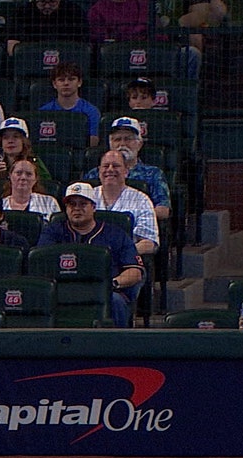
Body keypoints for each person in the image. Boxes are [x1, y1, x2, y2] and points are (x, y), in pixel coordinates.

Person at [39, 183, 143, 328]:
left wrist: (112, 284)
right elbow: (40, 265)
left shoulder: (115, 234)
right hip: (63, 290)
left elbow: (135, 272)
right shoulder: (52, 232)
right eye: (71, 204)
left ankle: (118, 341)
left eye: (83, 204)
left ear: (94, 207)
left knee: (116, 301)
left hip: (103, 292)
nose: (76, 208)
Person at [82, 117, 169, 221]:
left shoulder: (153, 174)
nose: (122, 144)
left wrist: (129, 216)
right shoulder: (94, 174)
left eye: (128, 139)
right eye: (117, 139)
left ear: (139, 144)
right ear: (110, 144)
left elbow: (163, 211)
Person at [95, 150, 159, 259]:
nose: (110, 169)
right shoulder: (87, 197)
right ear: (99, 171)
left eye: (116, 166)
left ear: (126, 171)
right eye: (105, 166)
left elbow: (149, 243)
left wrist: (123, 253)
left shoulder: (141, 200)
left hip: (127, 260)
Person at [38, 63, 101, 149]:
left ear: (79, 82)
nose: (66, 83)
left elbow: (93, 140)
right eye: (61, 80)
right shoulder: (44, 111)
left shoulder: (92, 111)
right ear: (54, 84)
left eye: (71, 79)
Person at [0, 118, 52, 191]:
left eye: (16, 137)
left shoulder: (34, 162)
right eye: (5, 138)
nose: (10, 141)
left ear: (24, 141)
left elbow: (47, 187)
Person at [5, 0, 87, 55]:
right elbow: (11, 45)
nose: (47, 6)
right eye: (42, 2)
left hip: (67, 63)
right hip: (31, 62)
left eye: (52, 2)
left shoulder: (75, 12)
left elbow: (83, 46)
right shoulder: (22, 13)